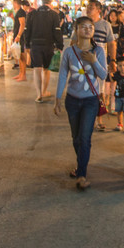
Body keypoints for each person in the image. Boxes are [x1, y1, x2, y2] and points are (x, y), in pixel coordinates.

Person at [53, 16, 107, 191]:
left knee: (85, 138)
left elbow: (104, 75)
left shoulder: (98, 51)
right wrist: (57, 98)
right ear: (76, 29)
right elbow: (62, 75)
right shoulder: (69, 52)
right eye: (83, 27)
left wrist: (93, 61)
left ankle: (82, 174)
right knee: (76, 138)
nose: (87, 30)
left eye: (90, 27)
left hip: (91, 100)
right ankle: (81, 165)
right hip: (72, 100)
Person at [86, 0, 116, 130]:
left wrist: (113, 60)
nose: (88, 9)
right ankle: (88, 119)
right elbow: (74, 41)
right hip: (84, 63)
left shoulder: (105, 25)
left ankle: (99, 119)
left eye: (91, 7)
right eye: (87, 7)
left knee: (100, 92)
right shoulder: (82, 23)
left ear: (99, 10)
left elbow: (111, 43)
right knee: (86, 91)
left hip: (100, 64)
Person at [25, 0, 62, 102]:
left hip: (35, 45)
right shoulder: (54, 15)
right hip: (48, 45)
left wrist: (27, 44)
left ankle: (38, 94)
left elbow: (27, 31)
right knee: (46, 69)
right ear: (50, 3)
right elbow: (57, 31)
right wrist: (59, 45)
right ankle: (44, 91)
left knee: (37, 69)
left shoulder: (32, 14)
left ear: (41, 2)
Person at [12, 0, 29, 81]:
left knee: (22, 56)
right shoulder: (18, 12)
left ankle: (23, 75)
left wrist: (18, 36)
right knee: (19, 55)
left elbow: (22, 24)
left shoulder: (21, 12)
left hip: (21, 37)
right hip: (18, 36)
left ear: (16, 3)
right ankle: (21, 74)